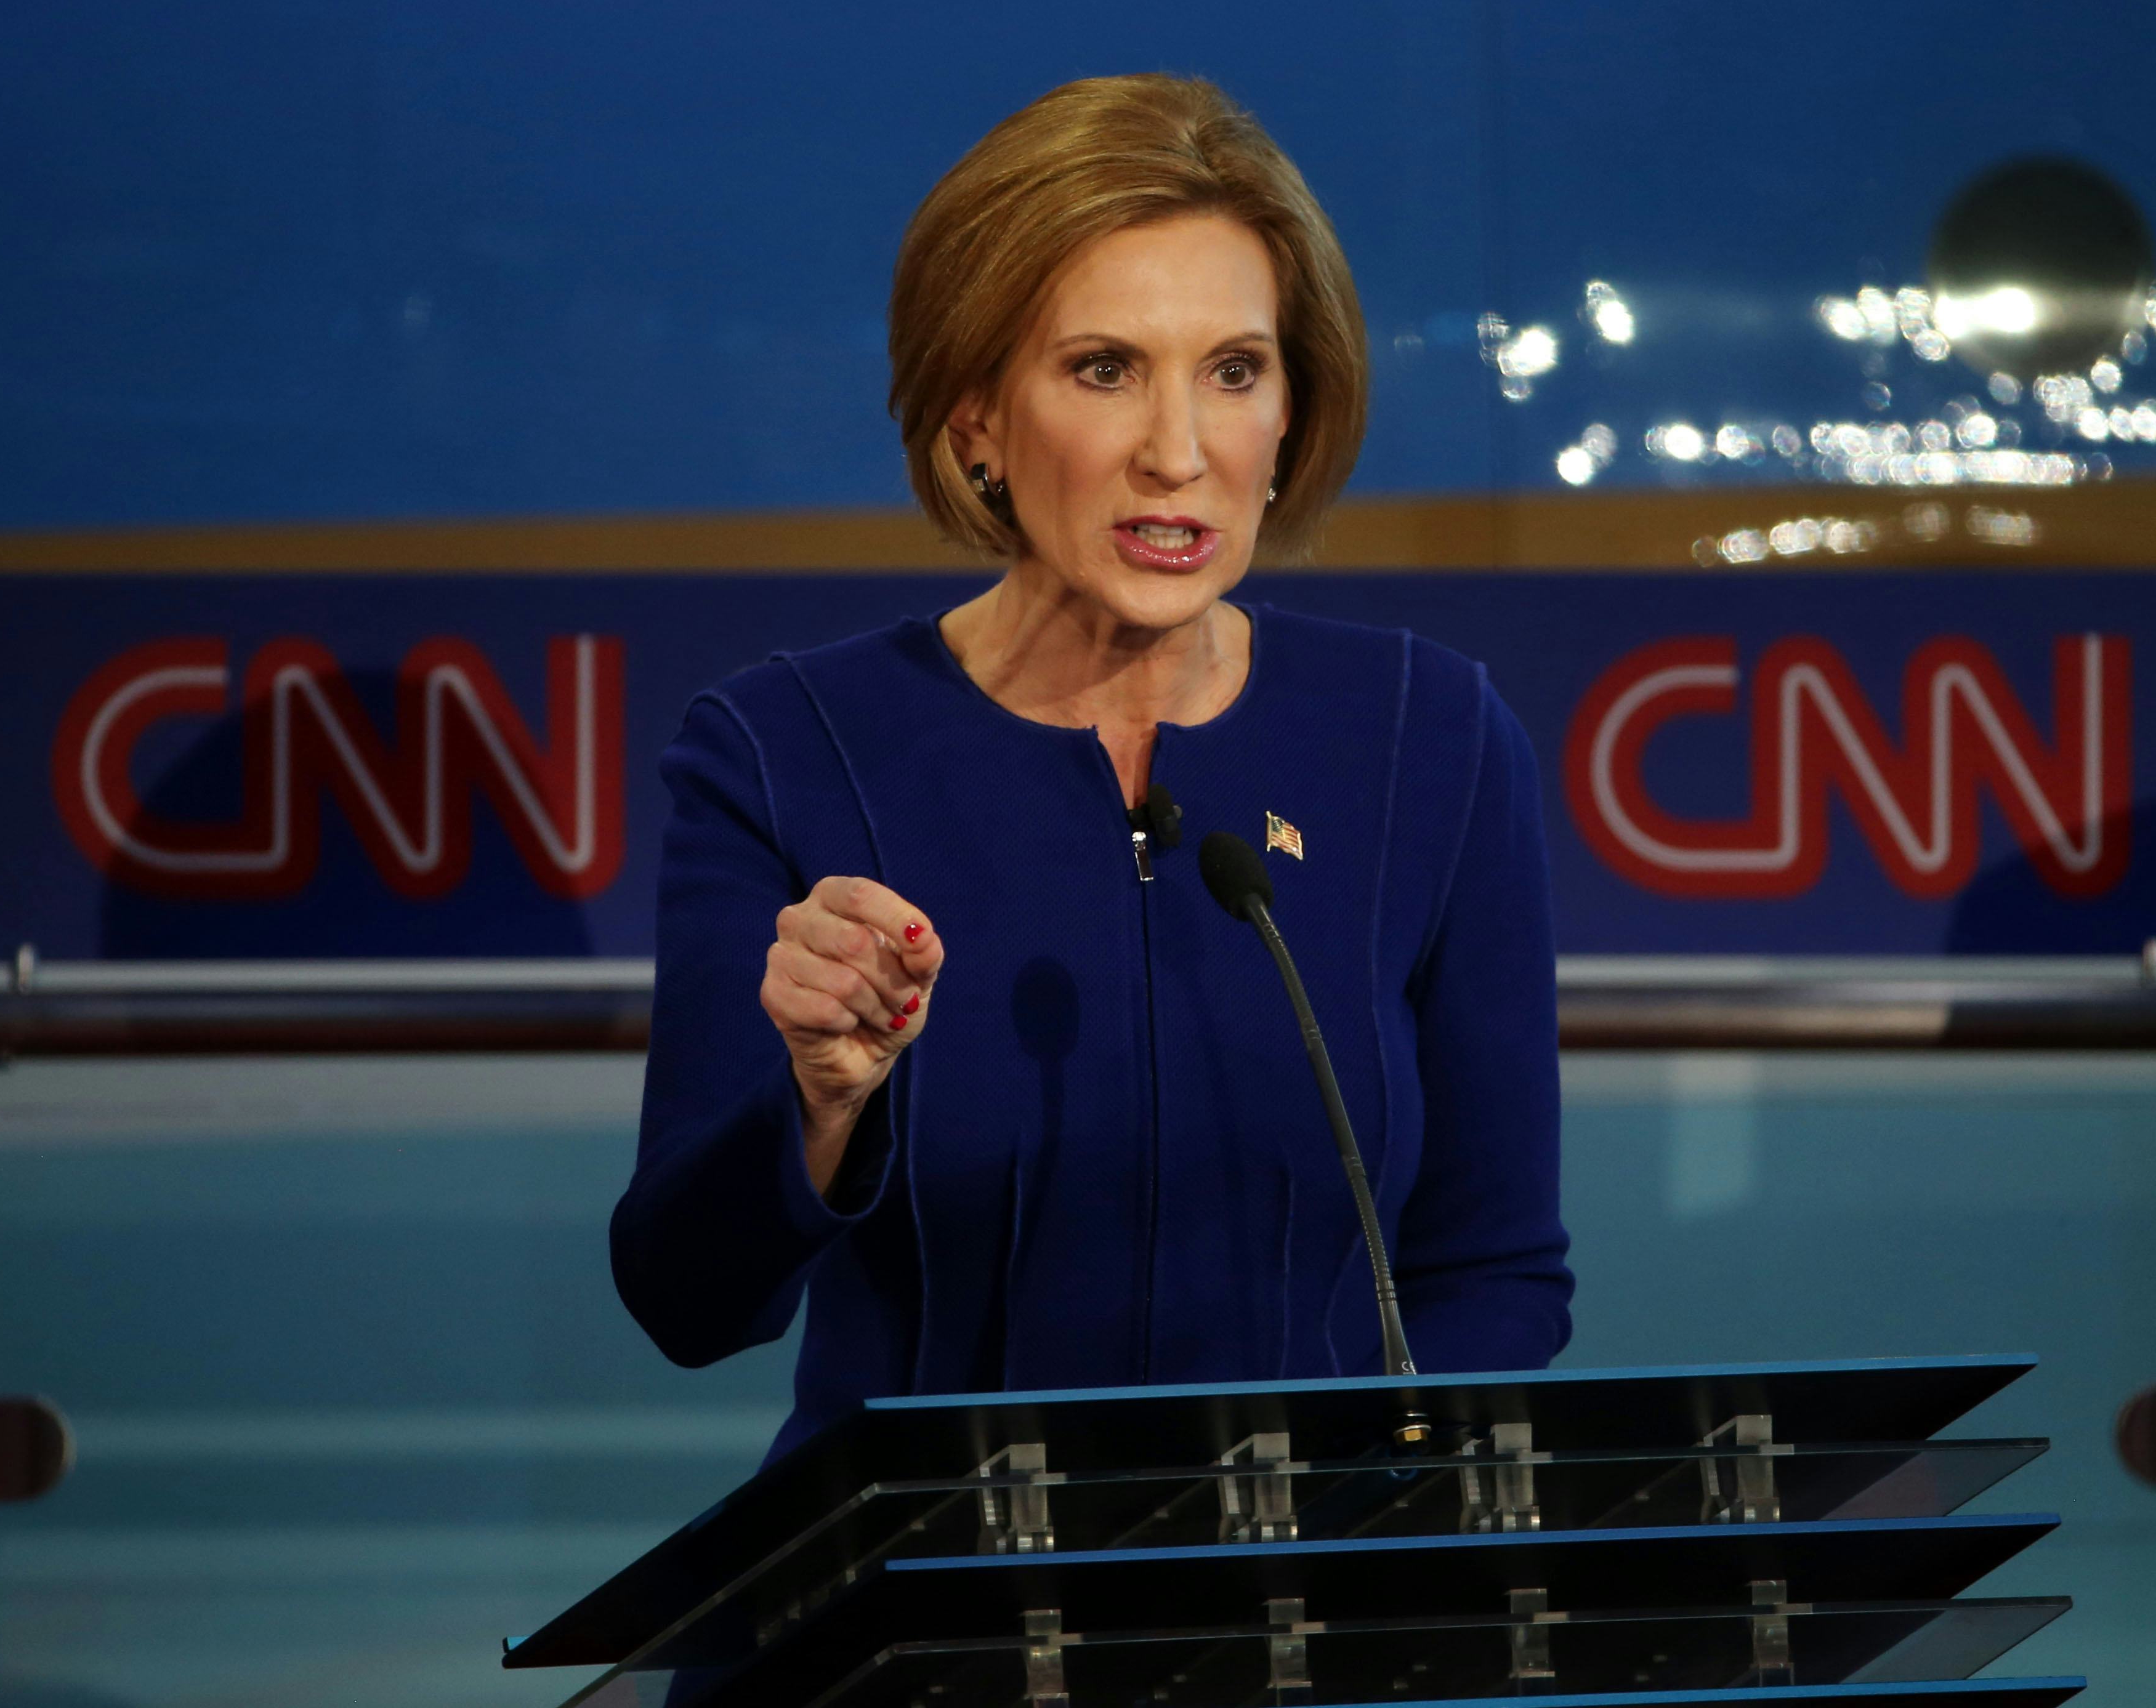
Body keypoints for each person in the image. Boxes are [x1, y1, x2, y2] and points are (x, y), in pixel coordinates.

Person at [614, 74, 1572, 1462]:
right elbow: (688, 1300)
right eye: (1104, 369)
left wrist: (1363, 1534)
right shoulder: (784, 750)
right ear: (976, 419)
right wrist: (821, 1102)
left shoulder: (1433, 737)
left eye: (1233, 372)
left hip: (1305, 1580)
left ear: (1291, 413)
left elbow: (1495, 1272)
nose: (1178, 454)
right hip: (919, 1581)